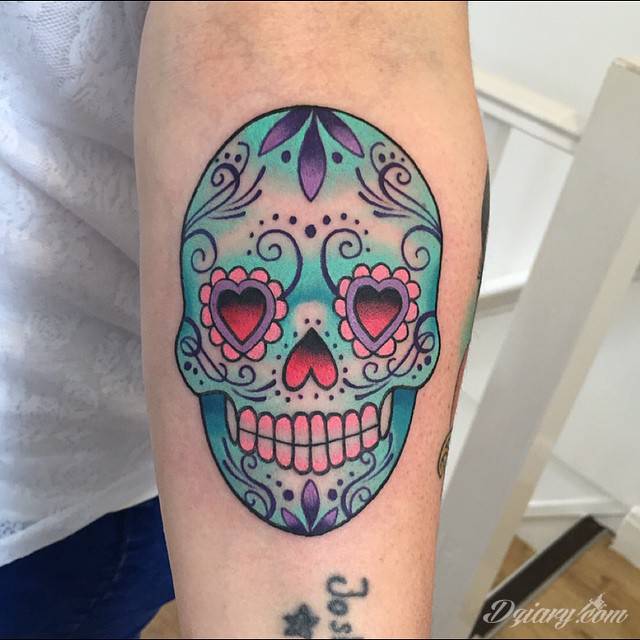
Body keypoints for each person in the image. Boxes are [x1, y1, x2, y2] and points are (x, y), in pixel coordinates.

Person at [0, 2, 487, 638]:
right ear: (197, 351)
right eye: (248, 309)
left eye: (372, 310)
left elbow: (347, 46)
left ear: (420, 348)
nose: (309, 369)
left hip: (53, 509)